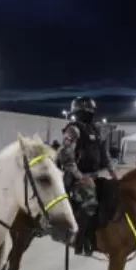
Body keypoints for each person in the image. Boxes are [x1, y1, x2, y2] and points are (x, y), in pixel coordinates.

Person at [57, 97, 117, 255]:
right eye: (86, 111)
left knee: (111, 196)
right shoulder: (73, 130)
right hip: (76, 178)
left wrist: (114, 175)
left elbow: (105, 155)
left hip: (95, 175)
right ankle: (79, 240)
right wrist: (80, 176)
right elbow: (66, 156)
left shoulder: (96, 130)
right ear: (77, 112)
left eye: (91, 111)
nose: (90, 113)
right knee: (90, 204)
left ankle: (98, 235)